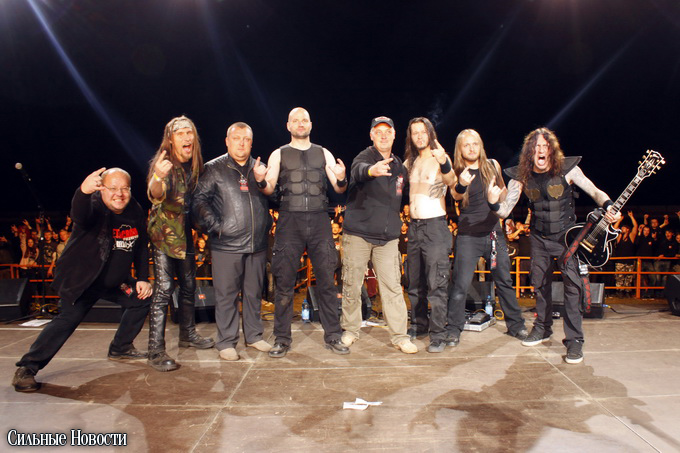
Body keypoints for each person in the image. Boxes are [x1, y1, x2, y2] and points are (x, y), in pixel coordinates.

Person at [12, 168, 152, 392]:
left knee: (141, 299)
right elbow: (80, 215)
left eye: (125, 188)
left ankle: (121, 347)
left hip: (115, 281)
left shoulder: (134, 209)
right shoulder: (93, 204)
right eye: (113, 188)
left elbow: (141, 246)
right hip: (83, 281)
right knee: (67, 321)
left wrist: (143, 278)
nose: (119, 194)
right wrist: (83, 192)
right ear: (102, 189)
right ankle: (27, 367)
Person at [493, 127, 620, 364]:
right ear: (530, 152)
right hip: (539, 238)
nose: (541, 150)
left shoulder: (568, 169)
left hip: (566, 238)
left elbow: (594, 191)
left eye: (545, 146)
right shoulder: (520, 176)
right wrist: (492, 202)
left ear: (551, 150)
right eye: (536, 147)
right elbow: (505, 210)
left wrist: (609, 205)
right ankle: (542, 328)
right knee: (540, 284)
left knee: (573, 288)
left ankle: (574, 340)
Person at [258, 107, 349, 357]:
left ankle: (333, 336)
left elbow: (339, 188)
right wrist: (260, 180)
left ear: (311, 124)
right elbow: (269, 188)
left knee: (327, 282)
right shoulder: (278, 154)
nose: (300, 124)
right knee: (284, 283)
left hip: (319, 220)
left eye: (304, 120)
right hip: (290, 221)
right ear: (288, 125)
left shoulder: (324, 152)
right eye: (295, 120)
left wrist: (342, 178)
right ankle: (282, 339)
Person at [192, 122, 272, 361]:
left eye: (246, 139)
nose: (241, 144)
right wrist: (217, 227)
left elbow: (276, 197)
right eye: (236, 138)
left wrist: (262, 181)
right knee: (226, 295)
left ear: (251, 143)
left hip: (257, 244)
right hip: (226, 244)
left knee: (253, 293)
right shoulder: (213, 169)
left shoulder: (259, 168)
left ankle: (254, 336)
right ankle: (226, 342)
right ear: (227, 141)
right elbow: (199, 201)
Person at [339, 116, 417, 354]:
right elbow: (358, 171)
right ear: (371, 135)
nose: (383, 135)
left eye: (387, 131)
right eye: (378, 131)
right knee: (352, 285)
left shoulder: (400, 166)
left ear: (394, 135)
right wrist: (372, 171)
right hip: (358, 234)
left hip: (388, 238)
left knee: (393, 287)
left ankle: (400, 336)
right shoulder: (364, 157)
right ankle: (350, 330)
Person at [446, 129, 527, 348]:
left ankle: (516, 325)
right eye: (466, 145)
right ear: (460, 149)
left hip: (494, 234)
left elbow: (503, 196)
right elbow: (456, 194)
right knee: (460, 285)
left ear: (481, 145)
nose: (471, 148)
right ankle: (453, 329)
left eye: (475, 143)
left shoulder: (492, 165)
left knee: (505, 282)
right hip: (468, 236)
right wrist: (462, 184)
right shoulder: (457, 171)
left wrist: (505, 194)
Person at [146, 115, 215, 372]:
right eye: (180, 133)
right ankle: (155, 350)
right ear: (171, 140)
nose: (186, 137)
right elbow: (155, 193)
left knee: (188, 286)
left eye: (190, 132)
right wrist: (157, 177)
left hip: (184, 234)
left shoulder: (195, 167)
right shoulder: (165, 165)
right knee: (164, 289)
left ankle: (187, 334)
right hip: (164, 235)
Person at [403, 117, 456, 352]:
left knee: (436, 284)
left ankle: (438, 334)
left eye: (423, 132)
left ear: (430, 134)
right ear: (411, 137)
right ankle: (419, 325)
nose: (419, 136)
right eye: (415, 132)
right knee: (414, 283)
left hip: (434, 226)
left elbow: (452, 182)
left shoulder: (439, 158)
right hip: (414, 228)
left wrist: (444, 161)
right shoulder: (410, 162)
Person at [612, 211, 638, 297]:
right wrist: (619, 220)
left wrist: (631, 216)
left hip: (629, 261)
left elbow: (635, 226)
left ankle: (627, 292)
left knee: (629, 278)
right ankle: (619, 291)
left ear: (628, 229)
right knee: (619, 277)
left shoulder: (631, 236)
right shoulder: (619, 236)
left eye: (624, 228)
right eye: (622, 227)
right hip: (620, 260)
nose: (622, 229)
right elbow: (614, 228)